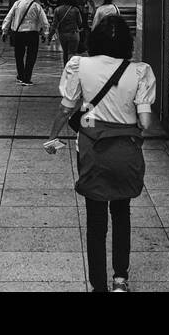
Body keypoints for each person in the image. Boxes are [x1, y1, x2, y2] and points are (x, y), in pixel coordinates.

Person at [45, 15, 156, 292]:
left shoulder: (80, 65)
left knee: (96, 224)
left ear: (95, 38)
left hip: (93, 151)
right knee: (122, 214)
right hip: (126, 153)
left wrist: (52, 136)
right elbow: (145, 123)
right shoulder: (140, 71)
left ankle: (99, 287)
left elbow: (66, 108)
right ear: (128, 44)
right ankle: (121, 281)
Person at [2, 0, 50, 86]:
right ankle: (27, 78)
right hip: (33, 34)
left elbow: (8, 17)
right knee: (31, 56)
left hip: (18, 34)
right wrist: (45, 33)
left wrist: (4, 31)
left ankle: (20, 76)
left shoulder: (17, 3)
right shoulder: (37, 6)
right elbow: (44, 21)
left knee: (19, 56)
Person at [52, 0, 84, 66]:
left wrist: (50, 36)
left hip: (62, 35)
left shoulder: (57, 10)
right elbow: (80, 22)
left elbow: (54, 24)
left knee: (65, 53)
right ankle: (72, 71)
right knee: (72, 53)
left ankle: (65, 70)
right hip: (73, 34)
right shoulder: (75, 10)